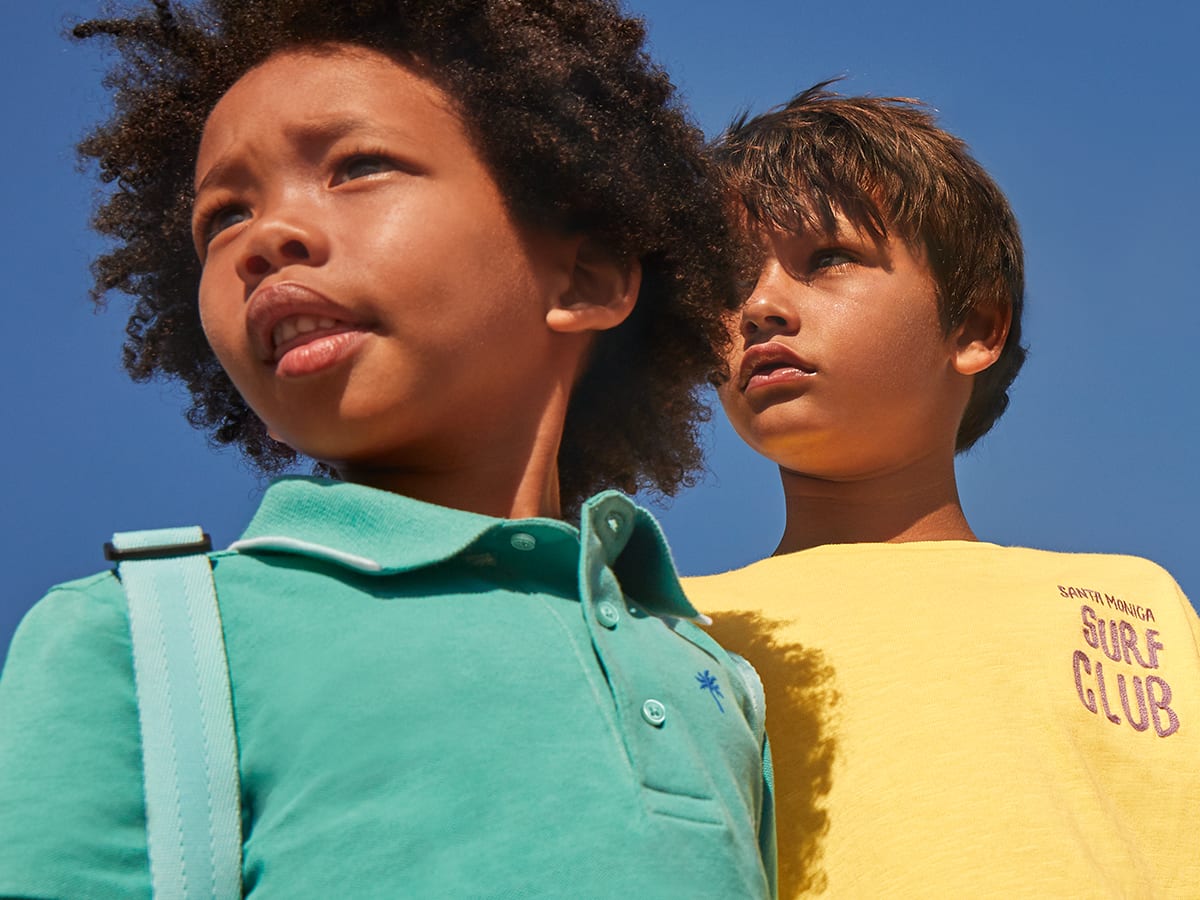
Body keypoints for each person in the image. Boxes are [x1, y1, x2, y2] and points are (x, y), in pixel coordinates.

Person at [0, 2, 776, 896]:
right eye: (222, 219)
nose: (266, 238)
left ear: (586, 278)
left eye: (357, 167)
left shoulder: (709, 672)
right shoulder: (141, 633)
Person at [684, 83, 1200, 897]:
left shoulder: (1137, 602)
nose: (760, 307)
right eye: (730, 282)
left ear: (974, 330)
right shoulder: (672, 623)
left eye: (829, 259)